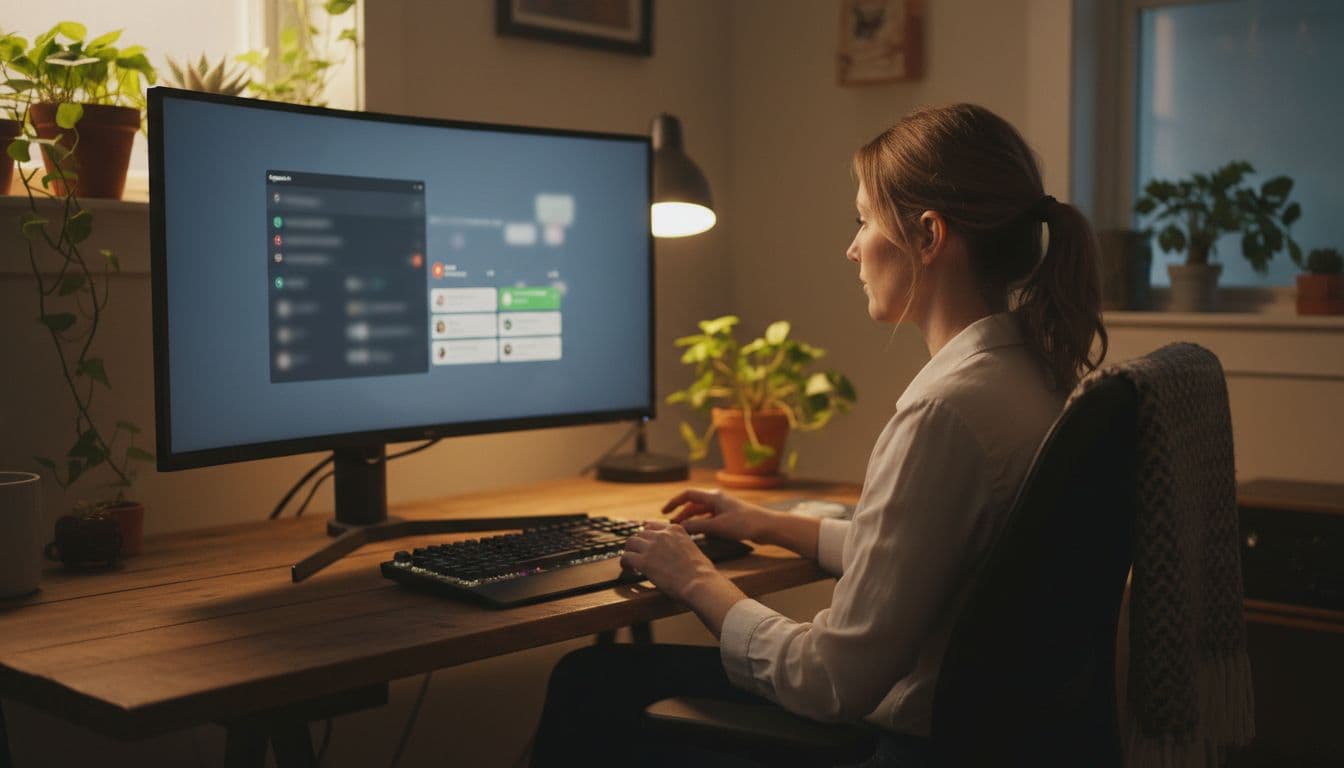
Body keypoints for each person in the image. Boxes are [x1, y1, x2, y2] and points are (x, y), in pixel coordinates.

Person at [530, 103, 1108, 767]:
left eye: (864, 219)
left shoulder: (944, 415)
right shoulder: (1029, 377)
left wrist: (695, 581)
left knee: (589, 682)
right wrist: (769, 522)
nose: (853, 246)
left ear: (928, 236)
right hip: (994, 737)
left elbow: (829, 679)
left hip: (899, 741)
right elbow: (923, 555)